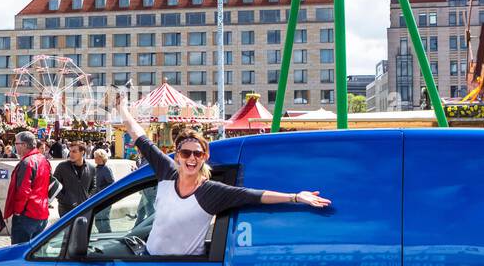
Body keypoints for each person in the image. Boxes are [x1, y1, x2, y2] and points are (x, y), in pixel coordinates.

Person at [112, 90, 331, 257]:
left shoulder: (210, 192)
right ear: (177, 155)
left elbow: (254, 195)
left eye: (197, 154)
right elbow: (140, 137)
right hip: (148, 260)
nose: (191, 159)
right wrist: (122, 108)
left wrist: (295, 197)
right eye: (186, 153)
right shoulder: (167, 172)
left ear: (205, 157)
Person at [3, 130, 52, 244]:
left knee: (19, 252)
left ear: (24, 145)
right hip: (41, 213)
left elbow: (23, 191)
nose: (15, 146)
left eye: (16, 144)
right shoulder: (43, 159)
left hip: (27, 215)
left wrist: (18, 211)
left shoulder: (27, 162)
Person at [51, 141, 96, 217]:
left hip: (84, 208)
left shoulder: (91, 168)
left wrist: (87, 199)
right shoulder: (62, 167)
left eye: (74, 151)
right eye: (70, 151)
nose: (71, 154)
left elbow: (94, 187)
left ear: (82, 152)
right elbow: (54, 185)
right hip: (66, 209)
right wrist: (65, 199)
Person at [92, 148, 115, 233]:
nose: (94, 158)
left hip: (105, 198)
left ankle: (108, 237)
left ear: (101, 158)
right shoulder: (96, 168)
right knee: (98, 221)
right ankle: (102, 236)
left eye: (96, 157)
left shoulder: (106, 169)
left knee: (104, 220)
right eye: (94, 157)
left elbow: (112, 184)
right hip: (97, 199)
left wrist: (100, 190)